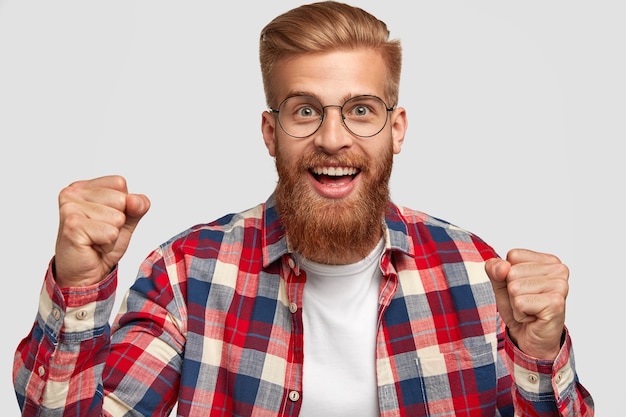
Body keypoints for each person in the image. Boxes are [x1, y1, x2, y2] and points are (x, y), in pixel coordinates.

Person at [13, 1, 594, 416]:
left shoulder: (476, 274)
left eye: (361, 110)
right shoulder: (187, 274)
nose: (334, 139)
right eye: (305, 110)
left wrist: (538, 356)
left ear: (397, 129)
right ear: (271, 132)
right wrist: (79, 285)